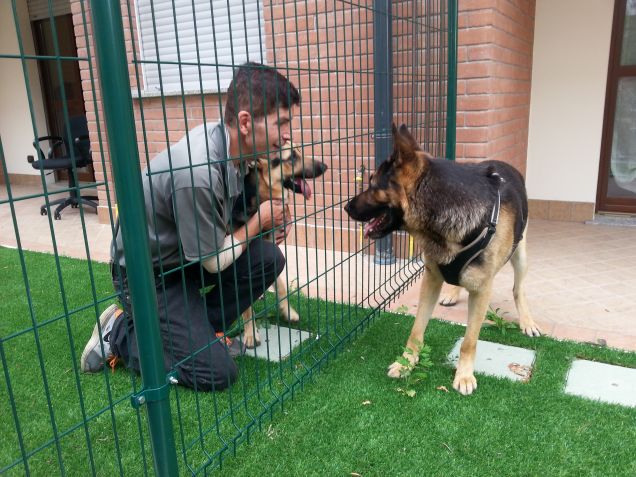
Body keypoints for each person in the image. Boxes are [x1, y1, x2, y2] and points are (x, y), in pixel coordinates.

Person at [81, 62, 299, 391]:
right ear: (244, 122)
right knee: (216, 374)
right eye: (281, 123)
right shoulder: (200, 171)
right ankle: (118, 333)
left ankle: (194, 335)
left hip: (187, 259)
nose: (287, 134)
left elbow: (223, 229)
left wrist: (264, 228)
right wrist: (258, 222)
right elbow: (214, 261)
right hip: (148, 276)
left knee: (268, 257)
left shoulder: (236, 151)